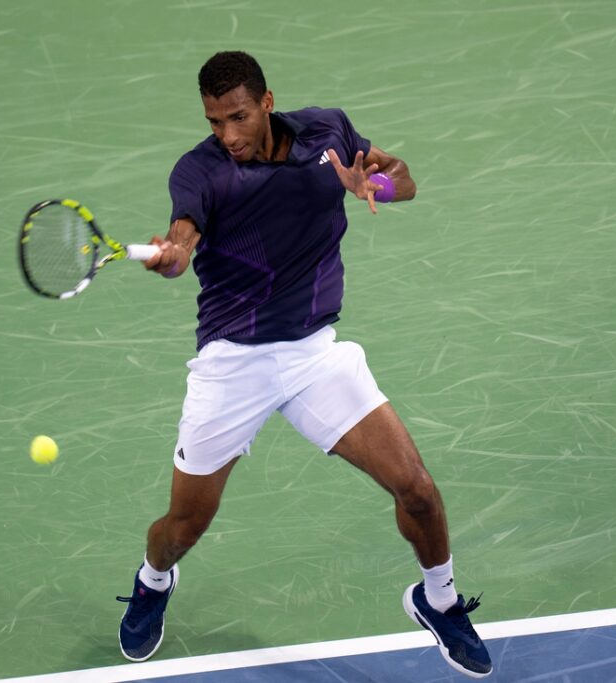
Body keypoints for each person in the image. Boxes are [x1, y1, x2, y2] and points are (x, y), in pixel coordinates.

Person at [116, 51, 492, 679]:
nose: (228, 135)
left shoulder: (327, 131)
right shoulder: (200, 172)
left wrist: (376, 186)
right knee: (183, 526)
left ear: (267, 103)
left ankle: (440, 599)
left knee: (419, 491)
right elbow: (182, 241)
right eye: (214, 122)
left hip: (314, 355)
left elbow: (404, 180)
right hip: (232, 363)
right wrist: (171, 255)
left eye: (238, 117)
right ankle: (154, 580)